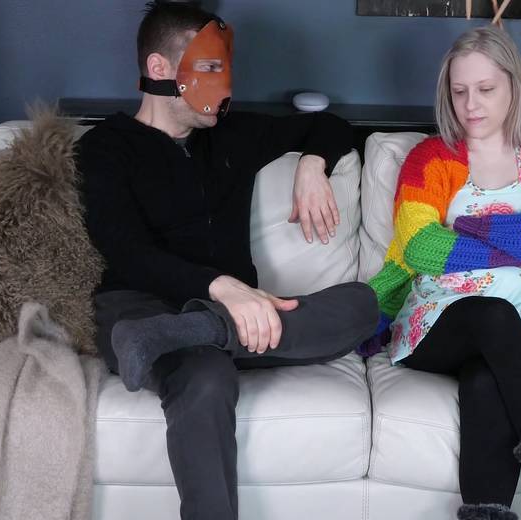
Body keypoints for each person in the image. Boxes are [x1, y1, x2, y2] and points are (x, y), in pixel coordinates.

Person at [75, 2, 378, 519]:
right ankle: (186, 334)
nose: (226, 82)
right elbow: (127, 251)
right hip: (140, 309)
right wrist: (223, 287)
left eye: (225, 66)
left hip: (233, 316)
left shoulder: (232, 135)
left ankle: (198, 330)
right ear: (160, 68)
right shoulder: (103, 149)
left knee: (363, 306)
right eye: (211, 66)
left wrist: (312, 164)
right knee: (207, 375)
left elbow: (331, 126)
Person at [367, 26, 521, 520]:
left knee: (484, 381)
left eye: (485, 89)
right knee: (491, 312)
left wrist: (468, 229)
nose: (470, 105)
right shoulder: (429, 159)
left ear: (513, 87)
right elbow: (420, 246)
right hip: (439, 323)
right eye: (459, 91)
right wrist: (519, 239)